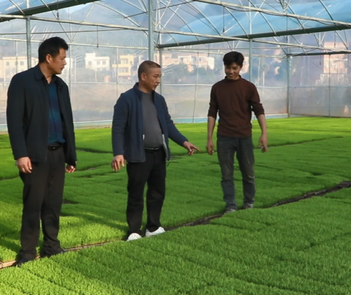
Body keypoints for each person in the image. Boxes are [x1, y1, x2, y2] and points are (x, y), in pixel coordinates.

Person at [6, 37, 77, 266]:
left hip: (58, 152)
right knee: (33, 204)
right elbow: (14, 121)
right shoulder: (22, 81)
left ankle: (51, 247)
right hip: (35, 155)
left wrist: (70, 155)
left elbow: (68, 122)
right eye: (62, 58)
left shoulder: (61, 86)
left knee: (53, 204)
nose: (65, 62)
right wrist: (21, 154)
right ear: (49, 57)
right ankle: (27, 252)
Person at [111, 60, 199, 241]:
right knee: (136, 193)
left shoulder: (159, 100)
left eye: (160, 76)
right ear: (143, 76)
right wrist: (118, 152)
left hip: (158, 153)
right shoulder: (127, 99)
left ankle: (153, 226)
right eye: (155, 76)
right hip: (138, 154)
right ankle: (134, 231)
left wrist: (184, 142)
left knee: (157, 192)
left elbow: (167, 124)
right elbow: (118, 127)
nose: (158, 80)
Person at [207, 51, 268, 214]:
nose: (231, 71)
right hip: (224, 137)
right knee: (226, 174)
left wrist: (264, 133)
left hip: (244, 137)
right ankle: (230, 205)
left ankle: (249, 202)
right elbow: (212, 113)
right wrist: (209, 138)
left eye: (234, 68)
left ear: (241, 67)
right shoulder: (217, 88)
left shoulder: (249, 87)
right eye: (228, 68)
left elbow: (258, 110)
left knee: (248, 173)